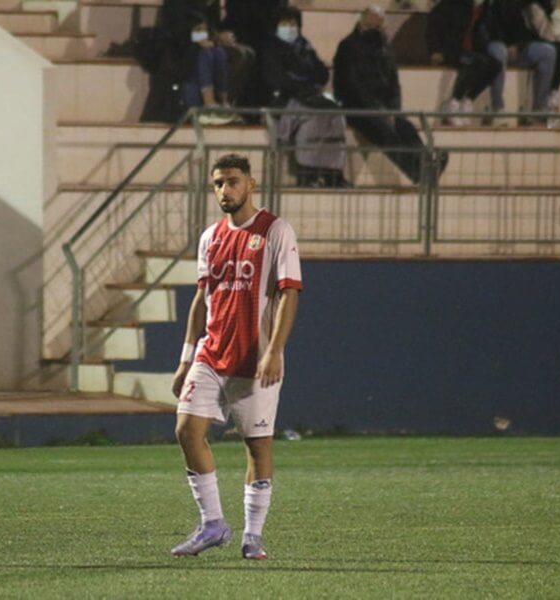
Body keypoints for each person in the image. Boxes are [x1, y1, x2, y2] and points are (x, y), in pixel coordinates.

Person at [170, 153, 301, 560]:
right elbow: (200, 298)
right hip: (211, 353)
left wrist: (275, 350)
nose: (224, 190)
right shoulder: (210, 237)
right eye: (218, 184)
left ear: (251, 184)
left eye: (232, 181)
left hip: (254, 356)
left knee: (257, 445)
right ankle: (212, 524)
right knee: (186, 430)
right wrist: (185, 358)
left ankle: (253, 536)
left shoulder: (275, 230)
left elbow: (288, 293)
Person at [333, 5, 442, 184]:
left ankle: (427, 165)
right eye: (374, 27)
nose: (379, 31)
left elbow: (393, 84)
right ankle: (417, 173)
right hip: (358, 109)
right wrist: (379, 111)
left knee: (405, 127)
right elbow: (354, 87)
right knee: (385, 133)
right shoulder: (348, 47)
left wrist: (393, 111)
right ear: (363, 25)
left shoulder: (385, 49)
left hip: (384, 108)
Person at [262, 7, 351, 187]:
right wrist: (305, 83)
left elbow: (321, 73)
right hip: (286, 98)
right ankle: (307, 172)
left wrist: (308, 82)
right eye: (285, 24)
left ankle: (333, 172)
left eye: (293, 24)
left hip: (311, 96)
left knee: (336, 117)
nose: (289, 28)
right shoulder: (270, 49)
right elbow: (277, 78)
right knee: (312, 119)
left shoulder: (305, 46)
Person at [426, 0, 502, 126]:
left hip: (469, 50)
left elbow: (478, 32)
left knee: (495, 65)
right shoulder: (448, 5)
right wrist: (434, 50)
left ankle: (468, 99)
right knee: (472, 63)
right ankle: (453, 103)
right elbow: (432, 27)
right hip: (450, 49)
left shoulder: (480, 8)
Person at [484, 0, 557, 124]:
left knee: (548, 52)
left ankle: (539, 110)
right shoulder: (489, 4)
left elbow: (523, 30)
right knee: (499, 51)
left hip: (517, 48)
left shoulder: (520, 4)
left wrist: (518, 44)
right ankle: (497, 108)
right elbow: (487, 28)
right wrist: (506, 44)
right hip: (492, 44)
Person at [521, 0, 560, 123]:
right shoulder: (537, 6)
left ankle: (553, 91)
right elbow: (544, 32)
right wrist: (555, 11)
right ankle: (542, 105)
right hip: (544, 43)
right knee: (551, 51)